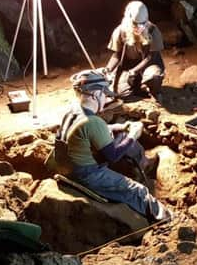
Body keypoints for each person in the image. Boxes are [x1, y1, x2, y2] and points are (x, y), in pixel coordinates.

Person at [60, 69, 171, 222]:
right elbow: (113, 156)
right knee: (138, 191)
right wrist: (133, 135)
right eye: (104, 94)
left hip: (66, 163)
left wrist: (120, 126)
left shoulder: (73, 110)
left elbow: (87, 132)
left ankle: (143, 164)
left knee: (120, 135)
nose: (106, 98)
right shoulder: (93, 122)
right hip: (86, 173)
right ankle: (165, 219)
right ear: (95, 94)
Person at [105, 1, 165, 101]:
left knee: (154, 77)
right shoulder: (120, 31)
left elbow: (151, 57)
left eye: (142, 24)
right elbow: (117, 55)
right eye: (135, 24)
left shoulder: (153, 31)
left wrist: (134, 71)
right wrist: (107, 69)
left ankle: (155, 92)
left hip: (148, 65)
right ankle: (136, 88)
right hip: (128, 66)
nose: (139, 27)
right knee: (120, 93)